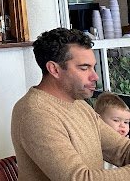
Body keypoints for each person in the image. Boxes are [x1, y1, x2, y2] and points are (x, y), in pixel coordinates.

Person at [11, 27, 130, 179]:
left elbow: (122, 150)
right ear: (54, 69)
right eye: (84, 68)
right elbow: (77, 178)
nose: (95, 77)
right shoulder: (35, 113)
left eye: (93, 67)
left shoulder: (79, 104)